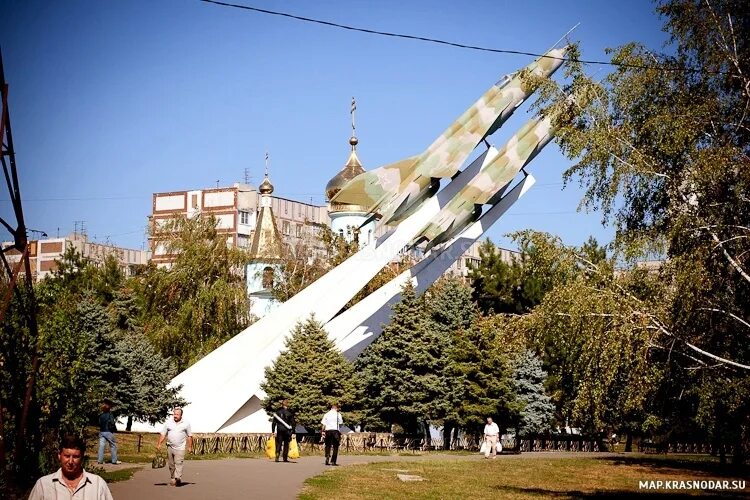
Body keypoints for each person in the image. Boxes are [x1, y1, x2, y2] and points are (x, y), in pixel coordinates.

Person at [29, 434, 113, 500]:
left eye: (75, 457)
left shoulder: (98, 485)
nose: (70, 461)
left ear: (82, 457)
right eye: (67, 456)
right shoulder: (43, 485)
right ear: (59, 455)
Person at [156, 407, 193, 486]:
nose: (175, 416)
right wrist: (159, 443)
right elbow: (163, 434)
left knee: (179, 463)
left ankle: (177, 478)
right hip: (170, 447)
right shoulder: (168, 423)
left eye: (177, 414)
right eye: (174, 414)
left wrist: (190, 447)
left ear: (181, 415)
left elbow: (189, 436)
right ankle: (173, 477)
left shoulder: (186, 424)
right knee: (171, 464)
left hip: (180, 448)